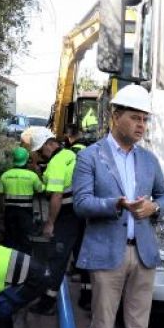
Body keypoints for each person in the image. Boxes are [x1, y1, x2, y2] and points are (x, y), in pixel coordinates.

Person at [72, 84, 164, 328]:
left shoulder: (148, 159)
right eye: (135, 118)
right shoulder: (91, 157)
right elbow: (82, 203)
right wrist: (115, 205)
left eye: (145, 120)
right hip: (106, 255)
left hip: (142, 255)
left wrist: (155, 207)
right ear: (115, 117)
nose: (141, 125)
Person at [26, 127, 81, 316]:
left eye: (42, 150)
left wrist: (50, 223)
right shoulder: (69, 154)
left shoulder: (57, 162)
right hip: (81, 213)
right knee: (80, 254)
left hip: (67, 214)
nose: (42, 155)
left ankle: (48, 301)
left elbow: (56, 195)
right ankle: (87, 298)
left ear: (50, 144)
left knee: (57, 256)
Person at [64, 122, 92, 309]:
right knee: (85, 248)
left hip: (72, 206)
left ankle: (83, 294)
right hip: (90, 206)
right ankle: (87, 295)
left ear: (68, 135)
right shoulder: (92, 150)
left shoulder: (69, 154)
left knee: (72, 246)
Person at [0, 147, 43, 252]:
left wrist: (2, 212)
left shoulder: (5, 175)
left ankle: (9, 261)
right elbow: (41, 190)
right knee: (24, 238)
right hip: (26, 213)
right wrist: (38, 172)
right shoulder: (32, 176)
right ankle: (24, 262)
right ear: (27, 160)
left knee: (10, 238)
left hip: (9, 212)